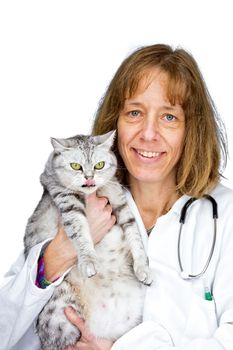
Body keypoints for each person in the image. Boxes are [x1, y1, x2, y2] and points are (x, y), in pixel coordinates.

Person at [0, 43, 232, 350]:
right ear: (115, 123)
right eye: (134, 112)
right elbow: (6, 335)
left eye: (169, 117)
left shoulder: (225, 216)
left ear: (192, 129)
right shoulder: (78, 202)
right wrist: (55, 257)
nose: (148, 134)